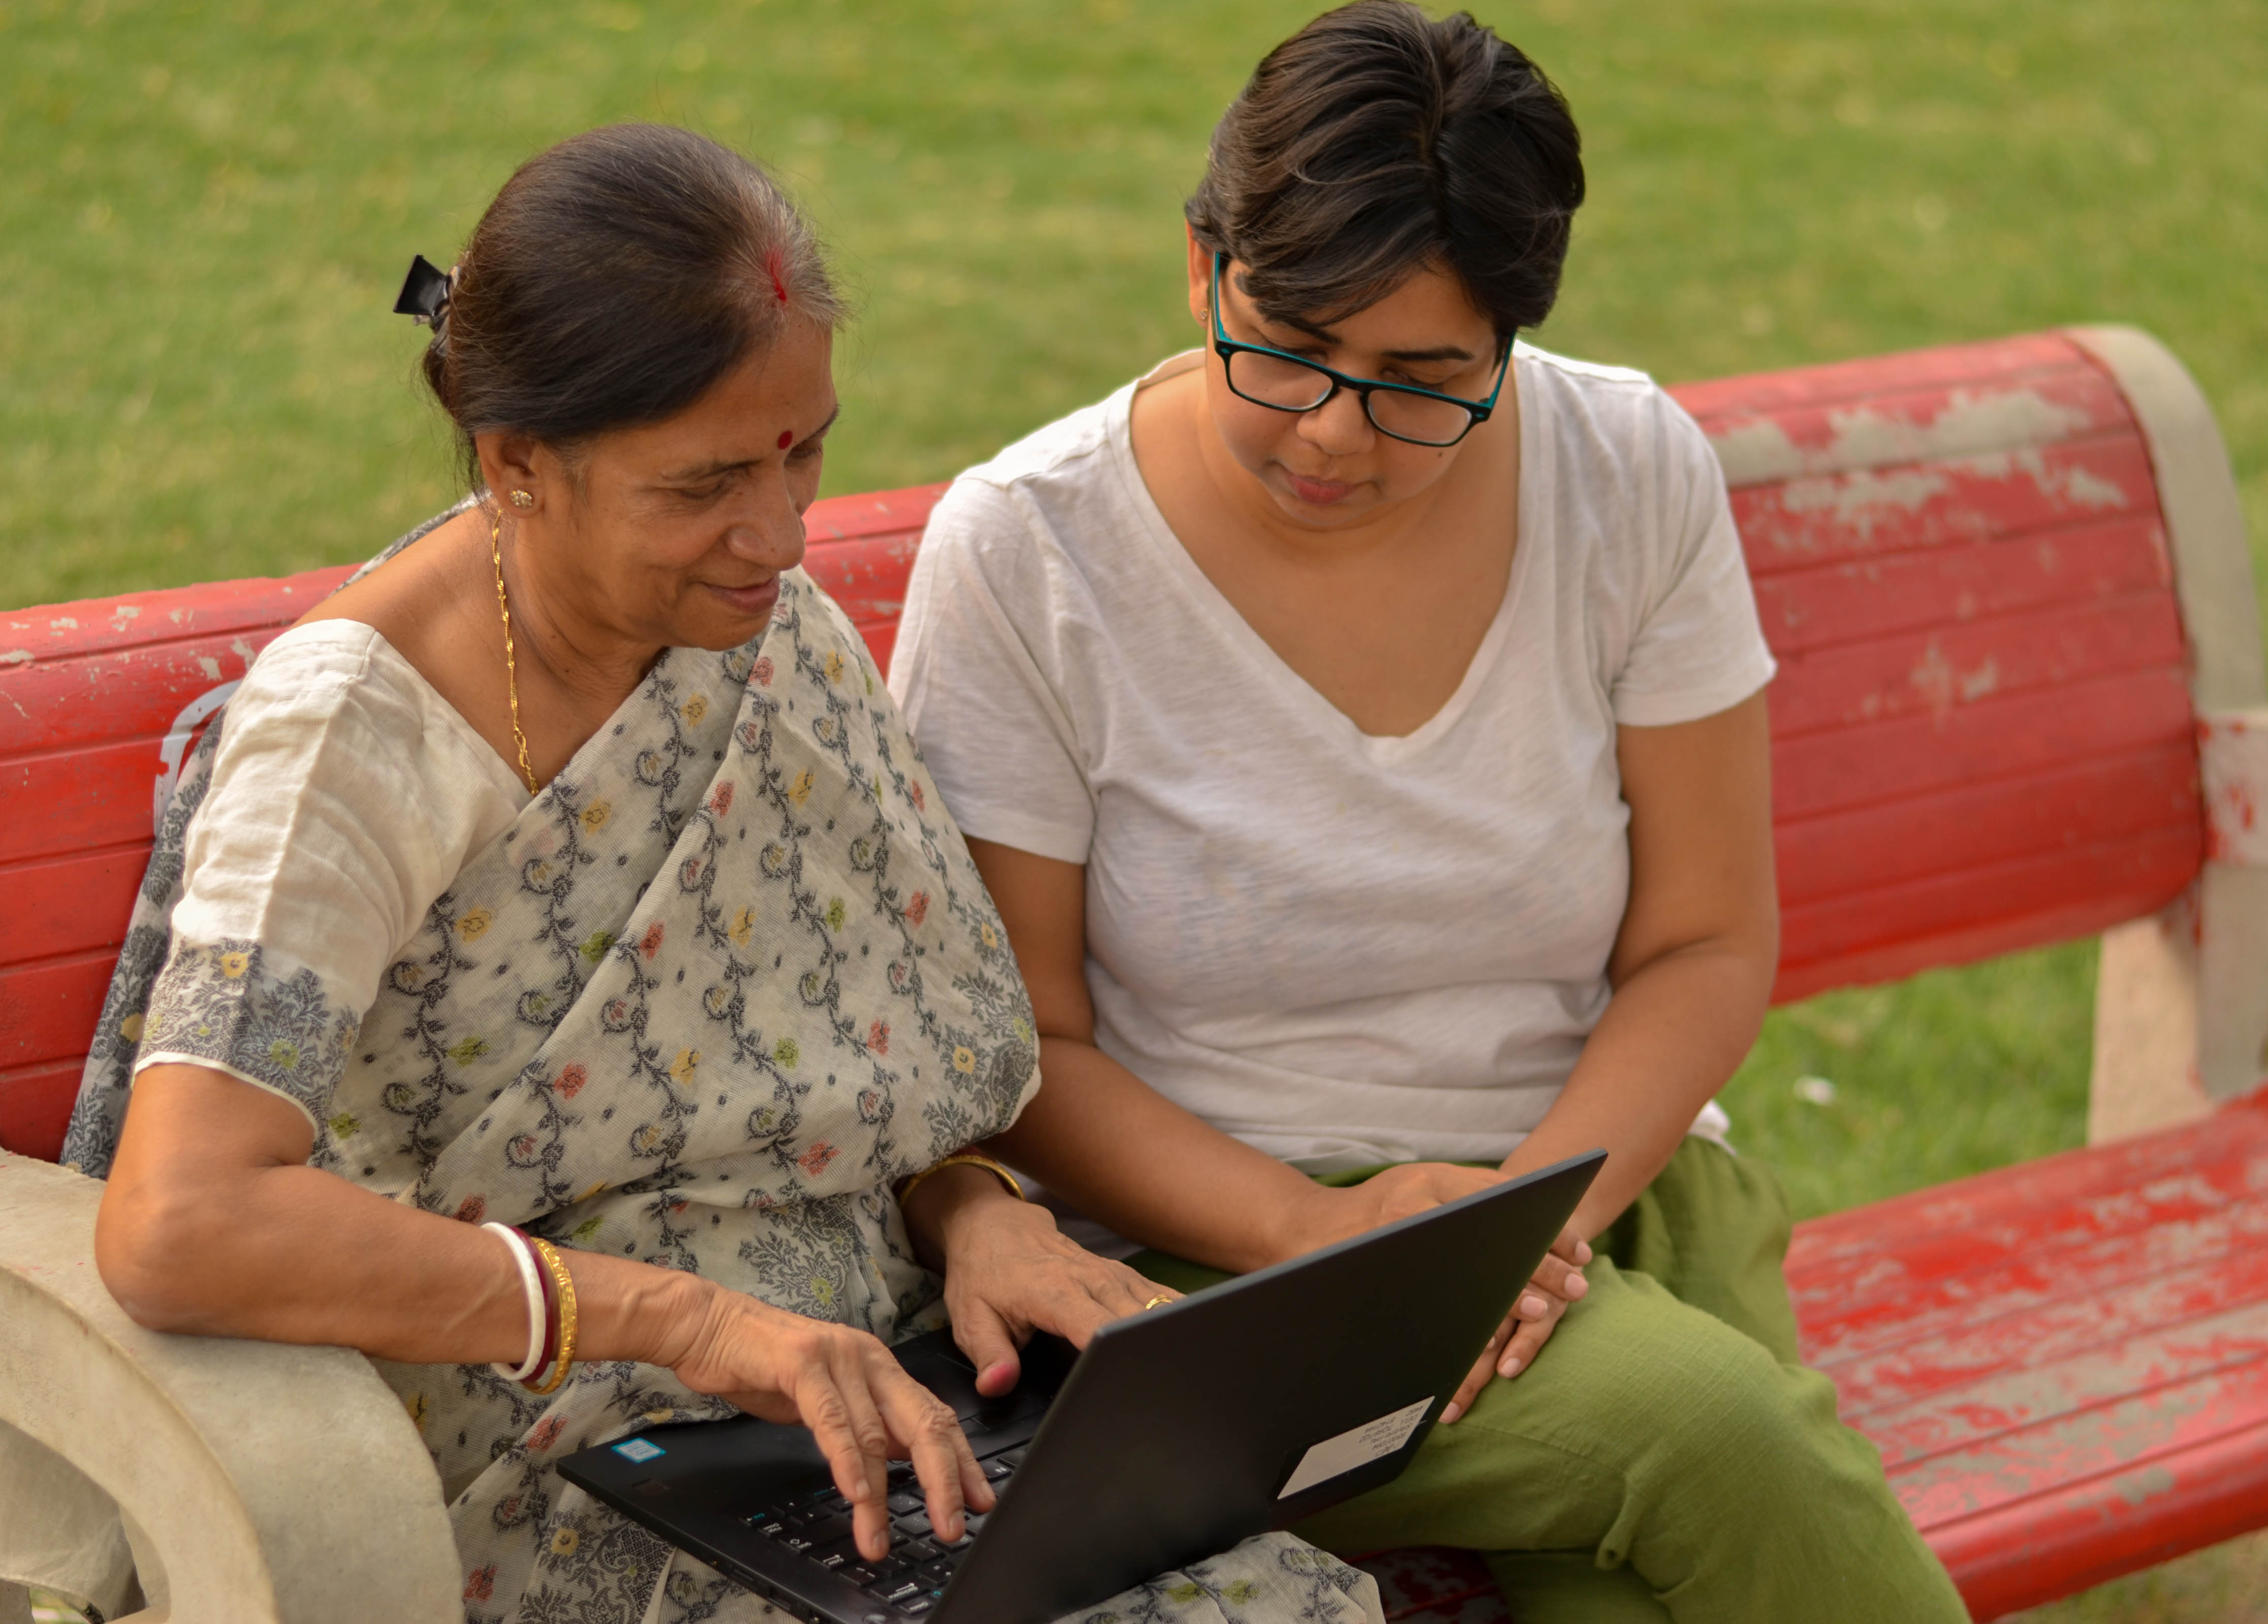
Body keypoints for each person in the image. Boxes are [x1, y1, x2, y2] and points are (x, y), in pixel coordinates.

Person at [53, 125, 1372, 1624]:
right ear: (516, 463)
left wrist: (978, 1208)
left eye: (803, 448)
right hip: (520, 1445)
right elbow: (183, 1223)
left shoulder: (767, 632)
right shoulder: (349, 742)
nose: (780, 530)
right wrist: (681, 1319)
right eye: (702, 483)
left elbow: (870, 1057)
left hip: (850, 1387)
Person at [888, 7, 1973, 1621]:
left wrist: (1528, 1232)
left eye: (1419, 381)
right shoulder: (1030, 553)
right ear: (1200, 267)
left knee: (1634, 1587)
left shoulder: (1626, 472)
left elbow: (1701, 936)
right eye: (1287, 347)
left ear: (1512, 343)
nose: (1331, 431)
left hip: (1610, 1179)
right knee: (1718, 1437)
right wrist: (1329, 1230)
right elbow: (1019, 1051)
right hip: (1227, 1257)